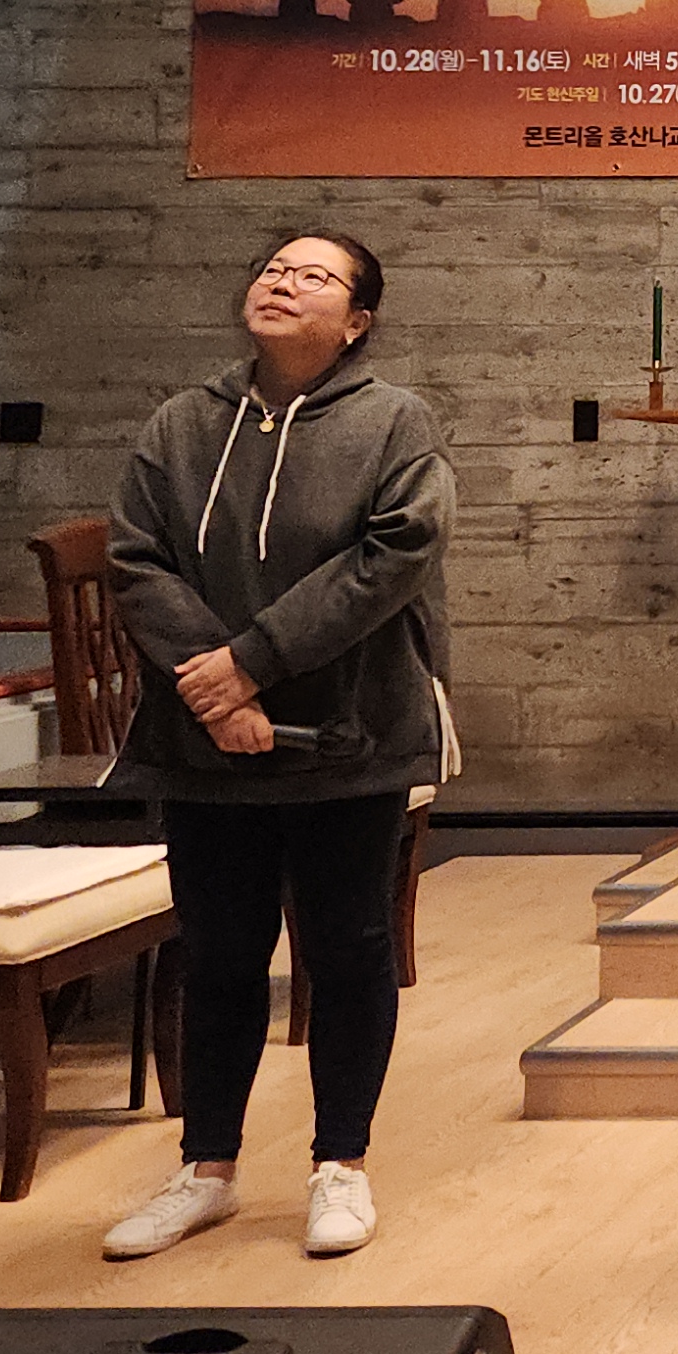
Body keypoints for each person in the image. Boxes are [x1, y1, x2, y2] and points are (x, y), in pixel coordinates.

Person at [98, 233, 455, 1264]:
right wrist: (213, 687)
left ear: (356, 322)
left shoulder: (394, 420)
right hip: (207, 739)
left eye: (313, 276)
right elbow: (136, 558)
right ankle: (205, 1169)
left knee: (347, 951)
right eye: (272, 269)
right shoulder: (182, 421)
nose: (282, 282)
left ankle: (340, 1162)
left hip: (350, 730)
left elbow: (396, 551)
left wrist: (251, 662)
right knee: (217, 955)